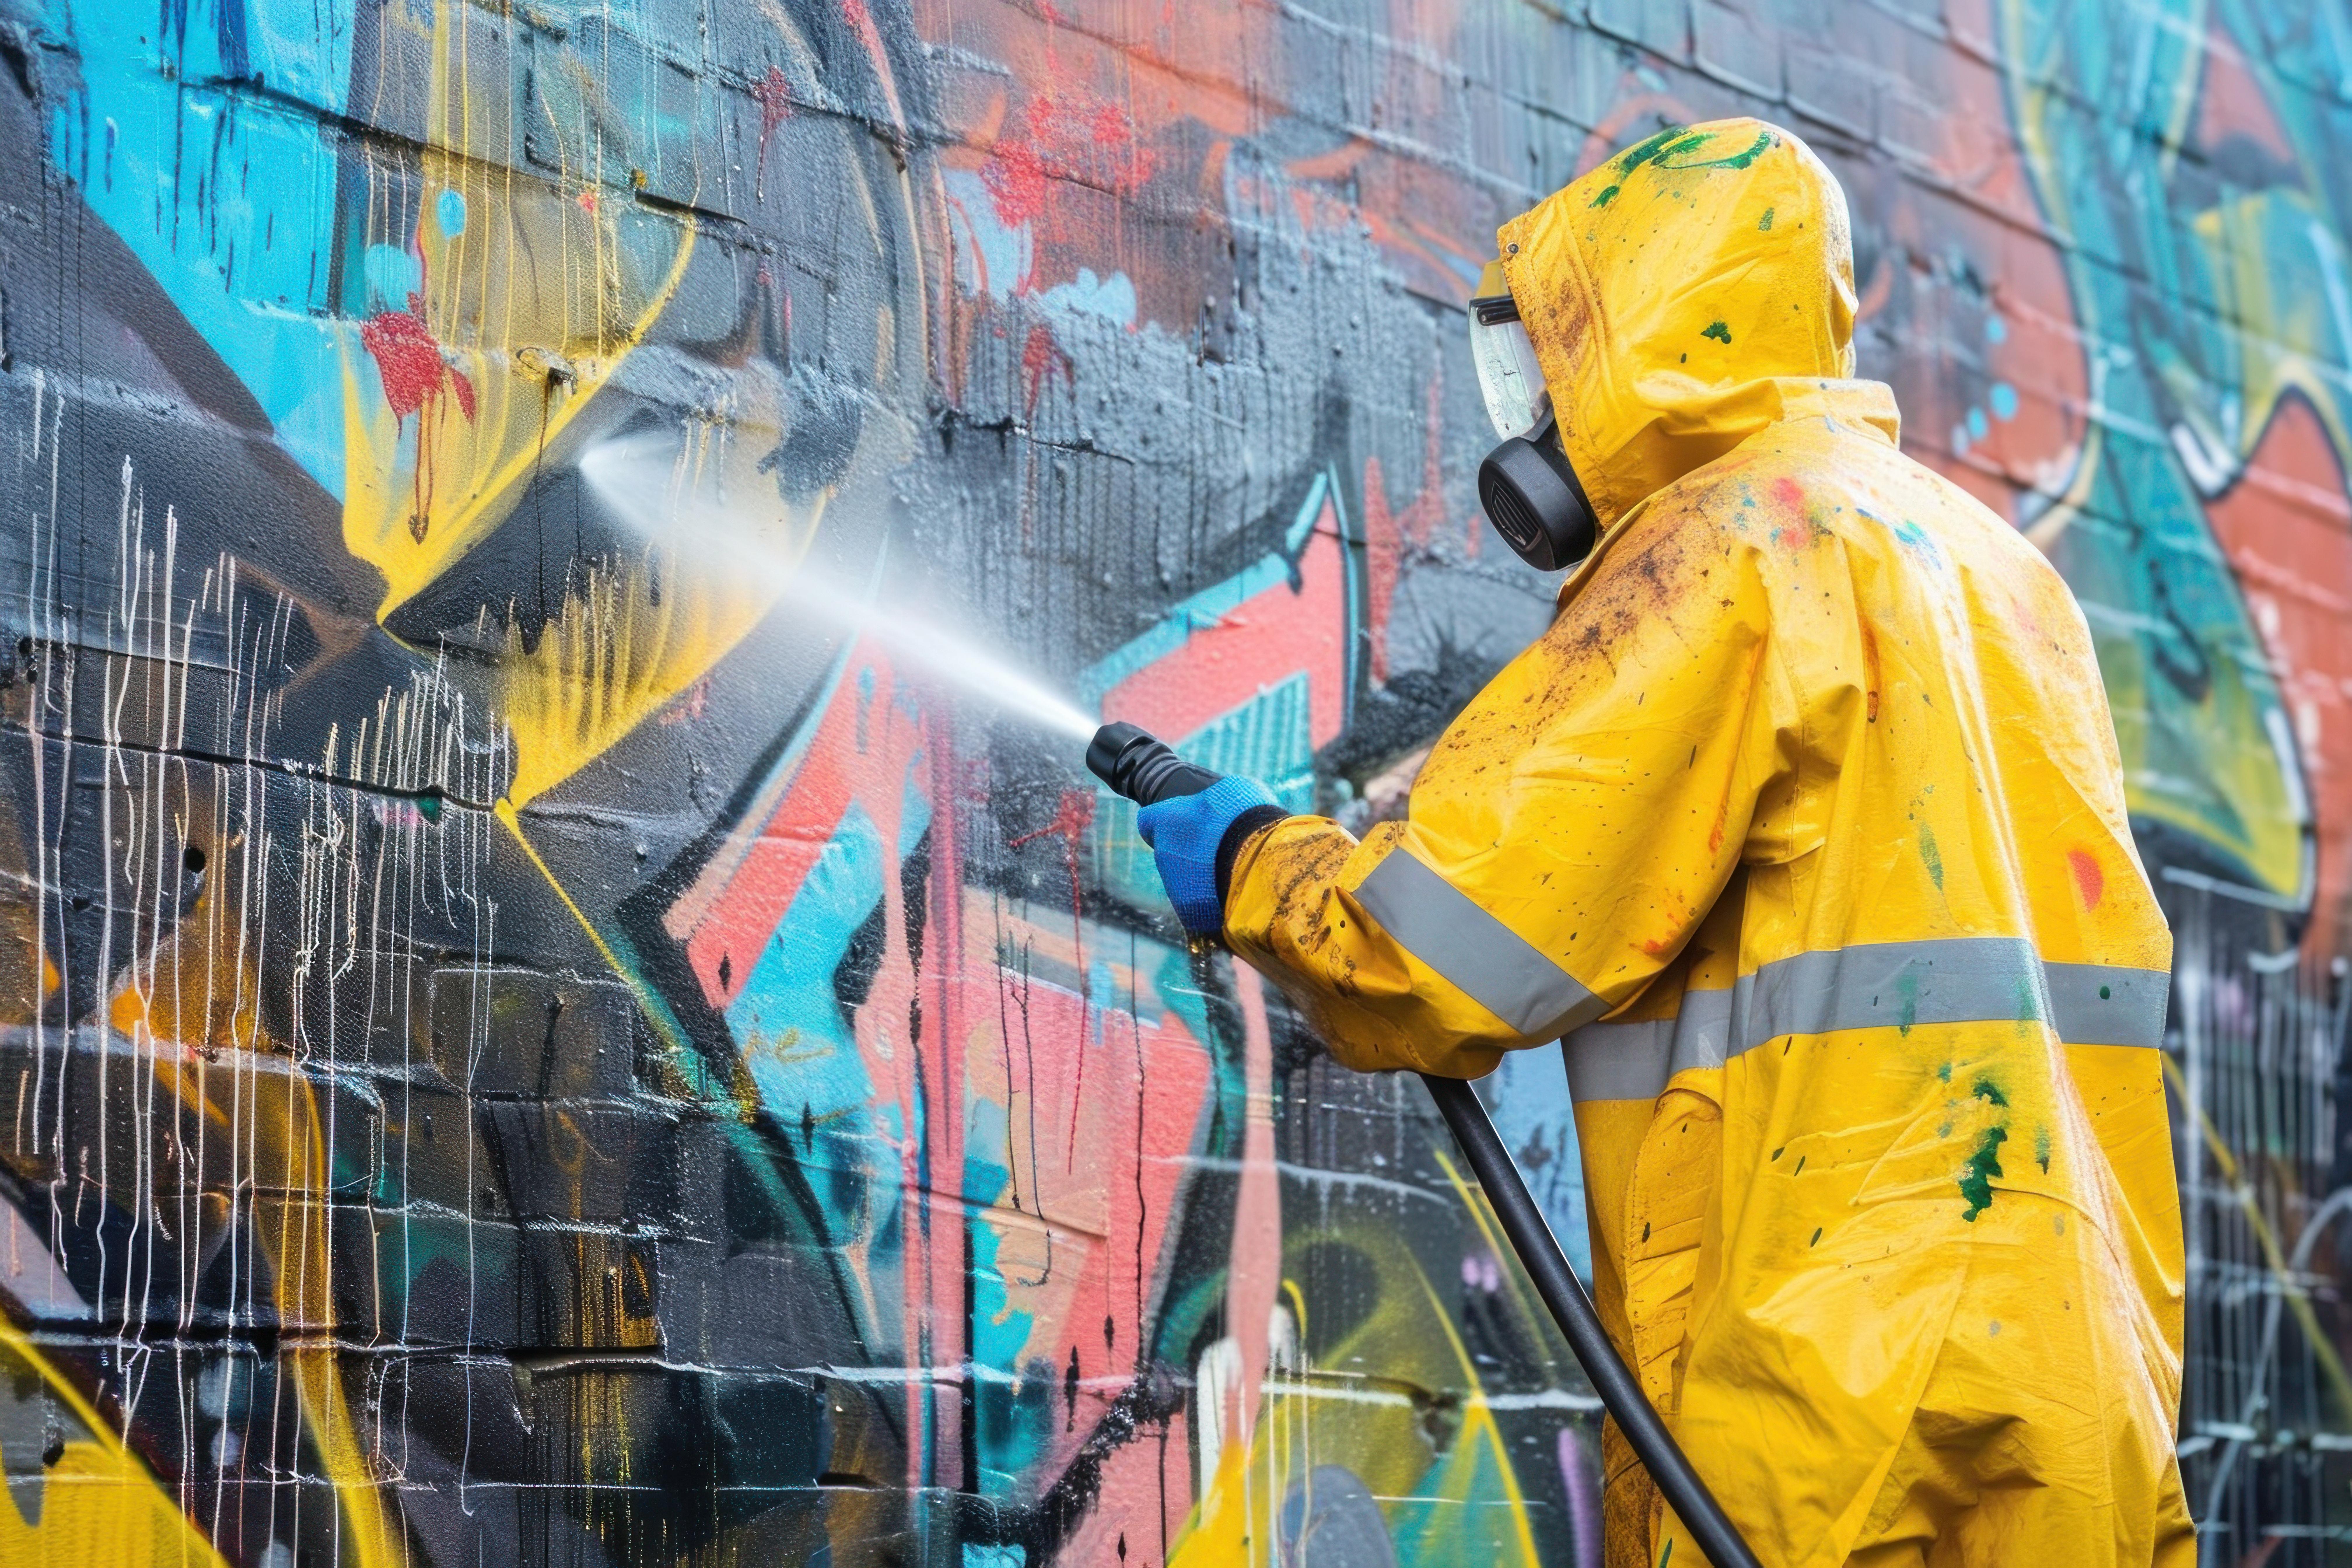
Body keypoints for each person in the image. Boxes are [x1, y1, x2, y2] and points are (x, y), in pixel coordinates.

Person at [1130, 118, 2194, 1568]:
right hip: (2075, 1393)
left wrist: (1261, 867)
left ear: (1643, 335)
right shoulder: (2005, 579)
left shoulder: (1736, 545)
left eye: (1551, 363)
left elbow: (1458, 940)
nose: (1534, 418)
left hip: (1833, 1402)